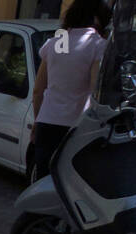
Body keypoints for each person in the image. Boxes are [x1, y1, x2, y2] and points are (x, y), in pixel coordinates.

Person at [31, 0, 109, 182]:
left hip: (47, 122)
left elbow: (38, 90)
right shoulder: (98, 45)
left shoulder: (57, 42)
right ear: (98, 19)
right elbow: (94, 91)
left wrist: (37, 120)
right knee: (68, 184)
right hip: (75, 126)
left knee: (43, 181)